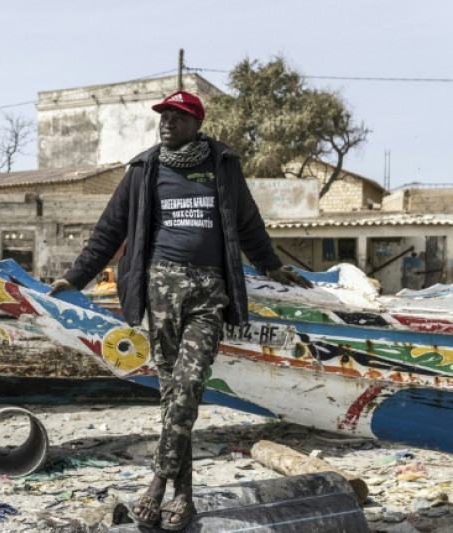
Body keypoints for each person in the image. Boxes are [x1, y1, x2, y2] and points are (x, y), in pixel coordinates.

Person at [49, 90, 311, 530]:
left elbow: (247, 224)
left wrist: (271, 265)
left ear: (197, 122)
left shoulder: (222, 166)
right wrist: (75, 277)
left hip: (210, 291)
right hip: (160, 292)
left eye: (178, 115)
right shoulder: (144, 169)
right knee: (175, 397)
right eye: (163, 115)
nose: (167, 121)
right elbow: (109, 229)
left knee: (188, 386)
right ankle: (184, 496)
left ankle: (156, 484)